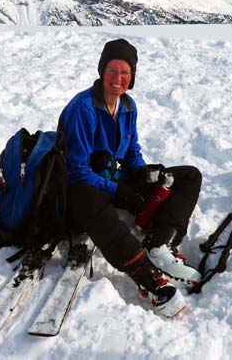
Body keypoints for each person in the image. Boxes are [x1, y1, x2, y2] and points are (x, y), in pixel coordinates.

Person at [57, 38, 202, 318]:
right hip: (80, 192)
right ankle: (147, 277)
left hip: (112, 179)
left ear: (132, 77)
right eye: (112, 70)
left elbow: (131, 149)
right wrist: (118, 191)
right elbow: (77, 172)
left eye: (125, 72)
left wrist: (142, 172)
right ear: (102, 71)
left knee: (188, 176)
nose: (118, 78)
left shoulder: (128, 106)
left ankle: (160, 243)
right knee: (89, 196)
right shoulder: (83, 109)